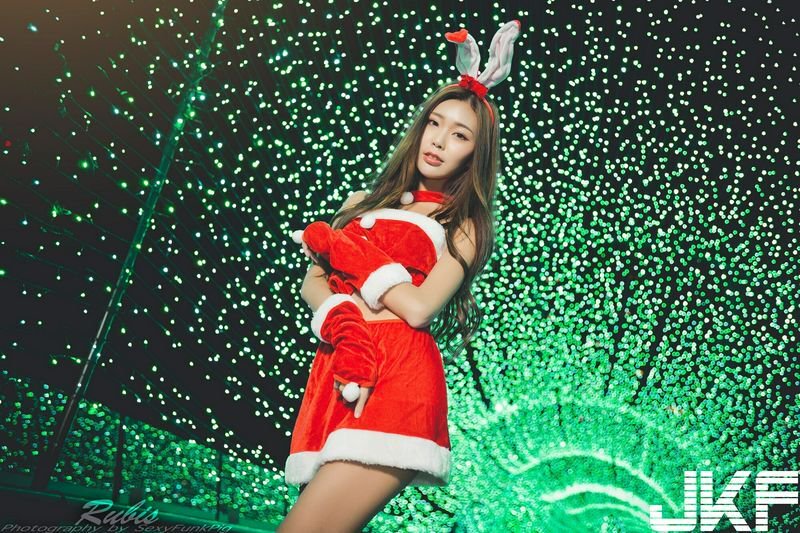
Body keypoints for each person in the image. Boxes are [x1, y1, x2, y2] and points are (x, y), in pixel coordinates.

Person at [277, 20, 521, 533]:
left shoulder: (464, 223)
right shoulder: (359, 203)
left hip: (399, 374)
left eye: (460, 135)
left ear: (474, 153)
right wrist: (342, 322)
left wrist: (355, 258)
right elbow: (311, 284)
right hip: (335, 365)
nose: (440, 141)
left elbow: (419, 308)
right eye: (435, 124)